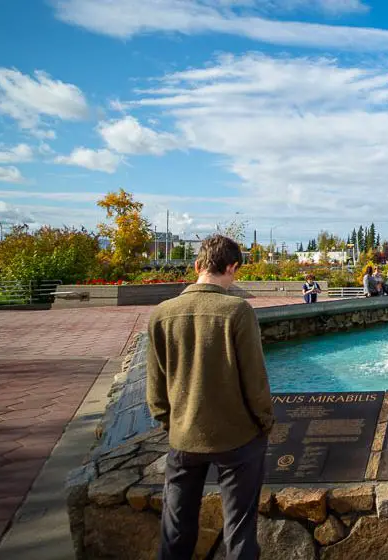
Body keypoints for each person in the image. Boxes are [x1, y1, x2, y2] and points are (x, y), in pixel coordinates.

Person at [146, 234, 273, 560]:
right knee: (240, 531)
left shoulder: (162, 314)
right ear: (231, 267)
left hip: (183, 437)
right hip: (237, 439)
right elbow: (255, 381)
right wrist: (264, 423)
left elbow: (156, 388)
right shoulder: (237, 312)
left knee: (175, 529)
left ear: (198, 265)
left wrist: (170, 423)